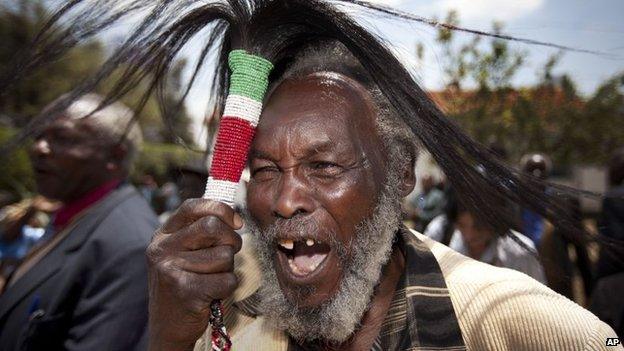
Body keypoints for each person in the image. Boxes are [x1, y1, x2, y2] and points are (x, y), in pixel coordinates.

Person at [3, 1, 621, 350]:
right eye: (265, 169)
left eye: (324, 166)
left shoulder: (516, 324)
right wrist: (165, 336)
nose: (286, 198)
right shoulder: (224, 307)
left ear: (400, 174)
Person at [0, 94, 159, 350]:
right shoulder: (75, 214)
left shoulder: (130, 245)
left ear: (115, 156)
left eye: (62, 138)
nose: (39, 148)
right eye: (39, 136)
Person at [426, 190, 546, 282]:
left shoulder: (520, 254)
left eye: (479, 227)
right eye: (462, 225)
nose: (469, 235)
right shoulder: (438, 236)